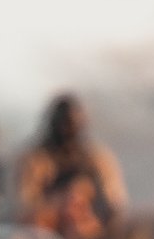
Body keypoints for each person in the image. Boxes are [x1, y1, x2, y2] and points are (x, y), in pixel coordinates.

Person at [15, 94, 127, 222]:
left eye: (71, 125)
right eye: (63, 125)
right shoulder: (34, 160)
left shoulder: (97, 159)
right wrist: (59, 203)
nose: (66, 131)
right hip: (47, 229)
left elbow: (114, 200)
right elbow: (25, 204)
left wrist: (86, 202)